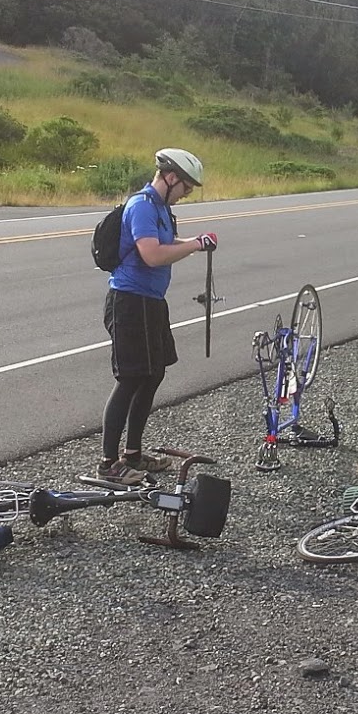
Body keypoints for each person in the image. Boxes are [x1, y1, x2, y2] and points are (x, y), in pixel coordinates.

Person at [97, 148, 218, 485]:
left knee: (152, 375)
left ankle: (133, 453)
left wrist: (194, 241)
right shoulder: (141, 206)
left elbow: (165, 242)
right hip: (129, 303)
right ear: (171, 177)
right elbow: (151, 255)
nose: (187, 193)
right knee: (130, 379)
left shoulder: (160, 208)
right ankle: (108, 464)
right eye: (187, 186)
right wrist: (195, 245)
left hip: (150, 303)